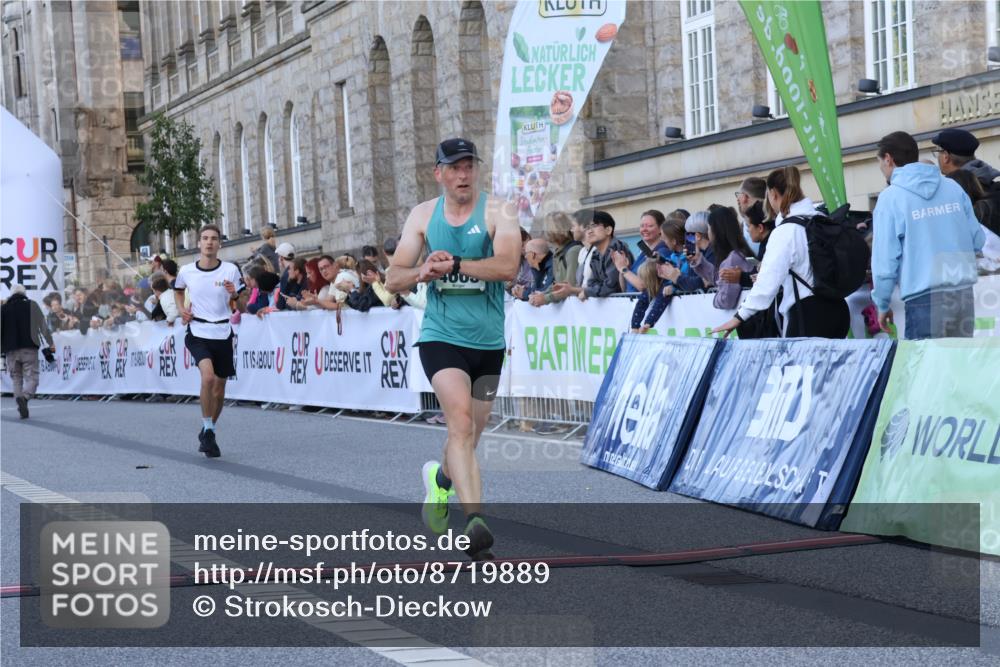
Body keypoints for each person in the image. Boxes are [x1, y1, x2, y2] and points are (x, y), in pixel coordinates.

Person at [385, 137, 519, 560]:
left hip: (489, 342)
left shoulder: (500, 212)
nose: (463, 175)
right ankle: (475, 522)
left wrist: (457, 264)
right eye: (454, 168)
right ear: (438, 172)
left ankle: (440, 481)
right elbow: (392, 278)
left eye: (469, 167)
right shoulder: (424, 216)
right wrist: (424, 269)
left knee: (471, 434)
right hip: (441, 338)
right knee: (459, 422)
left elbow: (508, 266)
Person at [712, 165, 850, 338]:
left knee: (799, 366)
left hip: (808, 315)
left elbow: (766, 284)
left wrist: (739, 317)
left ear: (773, 194)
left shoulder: (786, 231)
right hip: (839, 309)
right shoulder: (820, 219)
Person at [871, 131, 985, 339]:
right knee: (958, 368)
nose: (881, 169)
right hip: (962, 295)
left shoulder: (890, 199)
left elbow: (884, 262)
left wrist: (882, 303)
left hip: (923, 297)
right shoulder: (952, 188)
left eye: (880, 163)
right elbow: (977, 240)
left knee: (927, 369)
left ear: (888, 159)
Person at [174, 224, 244, 458]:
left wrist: (234, 294)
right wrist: (181, 309)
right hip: (198, 331)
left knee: (220, 389)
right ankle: (208, 427)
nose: (209, 242)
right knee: (208, 377)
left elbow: (240, 306)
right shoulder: (187, 271)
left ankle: (208, 431)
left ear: (219, 244)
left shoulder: (231, 270)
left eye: (214, 238)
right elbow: (178, 290)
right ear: (199, 243)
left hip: (223, 331)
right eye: (205, 238)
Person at [1, 285, 55, 419]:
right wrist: (50, 342)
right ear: (24, 293)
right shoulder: (32, 305)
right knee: (32, 377)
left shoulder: (4, 309)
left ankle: (19, 398)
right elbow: (43, 325)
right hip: (29, 347)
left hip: (10, 350)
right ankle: (25, 398)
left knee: (16, 378)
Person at [690, 206, 755, 310]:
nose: (708, 233)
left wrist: (714, 299)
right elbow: (718, 279)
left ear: (716, 231)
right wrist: (699, 261)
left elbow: (726, 301)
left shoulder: (734, 258)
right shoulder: (744, 252)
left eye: (709, 229)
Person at [561, 211, 632, 300]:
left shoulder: (616, 249)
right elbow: (591, 283)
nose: (589, 231)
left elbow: (611, 286)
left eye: (594, 226)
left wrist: (587, 292)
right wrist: (591, 290)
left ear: (608, 230)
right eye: (587, 228)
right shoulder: (596, 253)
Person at [617, 210, 667, 293]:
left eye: (650, 226)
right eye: (642, 226)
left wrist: (623, 269)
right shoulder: (643, 253)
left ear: (660, 229)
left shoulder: (663, 251)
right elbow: (625, 288)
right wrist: (622, 268)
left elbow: (644, 287)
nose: (644, 229)